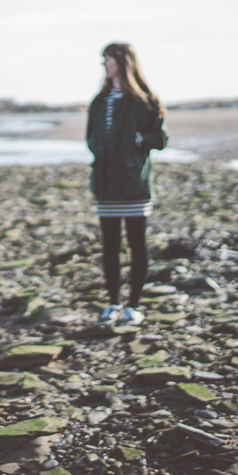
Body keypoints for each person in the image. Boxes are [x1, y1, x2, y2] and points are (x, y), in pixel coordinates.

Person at [85, 42, 168, 327]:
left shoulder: (144, 101)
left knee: (136, 244)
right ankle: (111, 304)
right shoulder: (100, 101)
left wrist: (139, 141)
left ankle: (133, 306)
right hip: (106, 185)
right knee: (109, 245)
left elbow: (160, 140)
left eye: (106, 59)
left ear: (121, 61)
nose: (103, 64)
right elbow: (91, 139)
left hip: (134, 184)